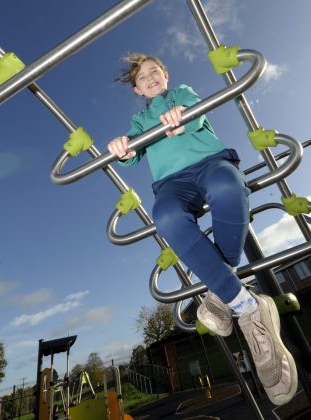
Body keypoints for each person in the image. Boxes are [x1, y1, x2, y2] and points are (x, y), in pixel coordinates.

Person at [107, 53, 297, 406]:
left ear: (165, 75)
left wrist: (183, 120)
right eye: (142, 77)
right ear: (136, 88)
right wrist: (120, 149)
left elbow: (195, 114)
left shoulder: (181, 92)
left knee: (228, 188)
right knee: (166, 218)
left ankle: (223, 296)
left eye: (155, 72)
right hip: (170, 182)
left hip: (210, 162)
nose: (150, 78)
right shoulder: (140, 118)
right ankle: (247, 304)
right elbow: (133, 151)